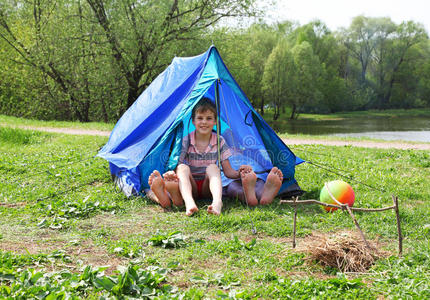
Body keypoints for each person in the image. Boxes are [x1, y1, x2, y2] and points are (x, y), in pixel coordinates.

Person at [176, 97, 248, 216]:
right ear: (193, 121)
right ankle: (189, 202)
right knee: (182, 167)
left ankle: (217, 202)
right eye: (200, 118)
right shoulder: (186, 140)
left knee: (213, 167)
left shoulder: (220, 141)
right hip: (191, 185)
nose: (204, 122)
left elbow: (228, 171)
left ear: (215, 122)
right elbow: (177, 164)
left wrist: (239, 173)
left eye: (209, 118)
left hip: (208, 187)